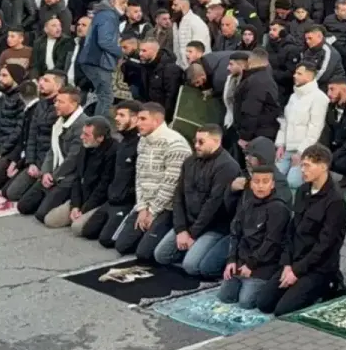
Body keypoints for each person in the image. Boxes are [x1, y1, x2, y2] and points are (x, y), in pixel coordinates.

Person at [255, 144, 346, 315]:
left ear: (323, 166)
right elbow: (291, 231)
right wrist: (287, 265)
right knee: (263, 303)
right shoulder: (302, 190)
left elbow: (326, 245)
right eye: (302, 165)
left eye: (307, 166)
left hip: (318, 268)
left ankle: (329, 286)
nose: (302, 170)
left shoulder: (335, 201)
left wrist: (297, 271)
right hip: (295, 261)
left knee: (282, 310)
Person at [153, 125, 240, 278]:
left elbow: (214, 205)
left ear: (216, 141)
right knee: (161, 255)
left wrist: (192, 234)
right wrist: (181, 229)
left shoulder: (227, 166)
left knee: (191, 266)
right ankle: (192, 249)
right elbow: (178, 196)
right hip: (188, 221)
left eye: (201, 142)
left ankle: (207, 251)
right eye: (195, 141)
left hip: (214, 226)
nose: (196, 146)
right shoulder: (189, 162)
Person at [114, 103, 192, 260]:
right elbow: (139, 177)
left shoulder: (175, 144)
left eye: (143, 119)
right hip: (147, 203)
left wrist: (153, 211)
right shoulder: (143, 140)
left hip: (167, 207)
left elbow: (170, 184)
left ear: (156, 121)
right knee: (121, 245)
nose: (138, 123)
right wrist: (142, 207)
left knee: (144, 254)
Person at [219, 162, 292, 309]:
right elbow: (235, 232)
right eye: (256, 182)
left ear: (272, 185)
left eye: (265, 182)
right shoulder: (247, 204)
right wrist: (231, 260)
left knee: (246, 302)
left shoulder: (278, 208)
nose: (260, 186)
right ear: (251, 184)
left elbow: (272, 241)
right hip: (243, 261)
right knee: (225, 297)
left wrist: (252, 264)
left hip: (264, 264)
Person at [13, 86, 87, 217]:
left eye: (61, 102)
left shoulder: (82, 124)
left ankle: (72, 203)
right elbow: (52, 151)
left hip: (68, 178)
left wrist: (54, 176)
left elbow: (72, 159)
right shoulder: (59, 121)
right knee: (23, 206)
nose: (56, 105)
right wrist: (45, 172)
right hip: (52, 173)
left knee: (42, 215)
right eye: (56, 101)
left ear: (74, 104)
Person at [79, 101, 142, 244]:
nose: (117, 119)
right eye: (116, 115)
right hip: (112, 198)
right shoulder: (123, 142)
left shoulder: (140, 144)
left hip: (127, 201)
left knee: (106, 240)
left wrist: (127, 195)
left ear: (134, 118)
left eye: (121, 115)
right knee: (87, 231)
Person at [41, 115, 118, 231]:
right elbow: (77, 178)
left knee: (77, 228)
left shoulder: (113, 151)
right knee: (50, 220)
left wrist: (85, 209)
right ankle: (77, 215)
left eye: (86, 135)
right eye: (83, 133)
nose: (82, 137)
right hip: (81, 196)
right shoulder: (85, 147)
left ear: (100, 138)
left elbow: (103, 186)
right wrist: (75, 205)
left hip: (97, 200)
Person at [275, 63, 331, 189]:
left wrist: (302, 152)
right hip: (287, 148)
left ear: (310, 76)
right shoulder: (293, 97)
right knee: (276, 178)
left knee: (292, 182)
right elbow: (285, 123)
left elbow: (315, 129)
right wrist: (280, 145)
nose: (294, 76)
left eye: (299, 73)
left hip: (304, 150)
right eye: (295, 72)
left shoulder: (319, 98)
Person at [77, 0, 127, 116]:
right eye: (123, 2)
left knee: (103, 96)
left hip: (93, 61)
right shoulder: (108, 16)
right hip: (98, 62)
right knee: (106, 97)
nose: (125, 6)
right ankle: (98, 128)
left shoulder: (103, 14)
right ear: (114, 0)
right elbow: (104, 41)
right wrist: (121, 52)